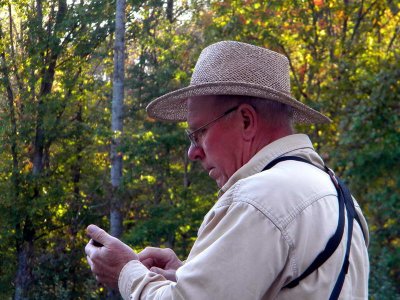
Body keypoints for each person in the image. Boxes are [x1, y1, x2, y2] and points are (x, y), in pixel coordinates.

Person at [85, 41, 369, 299]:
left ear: (246, 121)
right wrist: (190, 275)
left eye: (199, 133)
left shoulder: (258, 199)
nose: (192, 152)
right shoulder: (336, 195)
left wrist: (125, 272)